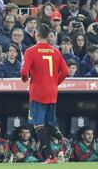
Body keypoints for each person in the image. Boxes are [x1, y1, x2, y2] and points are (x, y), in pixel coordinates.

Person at [20, 23, 69, 164]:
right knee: (48, 124)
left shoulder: (30, 51)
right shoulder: (55, 51)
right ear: (48, 36)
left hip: (38, 92)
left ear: (36, 34)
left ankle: (51, 157)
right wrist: (54, 83)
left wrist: (25, 79)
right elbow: (65, 71)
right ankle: (63, 141)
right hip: (52, 92)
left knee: (38, 125)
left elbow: (24, 72)